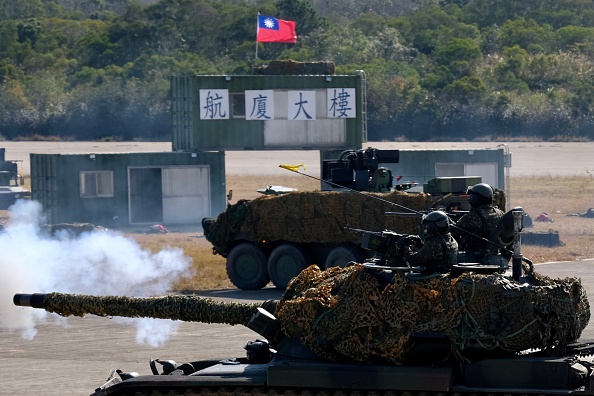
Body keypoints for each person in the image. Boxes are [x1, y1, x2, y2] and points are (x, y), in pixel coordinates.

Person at [452, 183, 505, 259]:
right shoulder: (500, 214)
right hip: (496, 255)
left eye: (472, 197)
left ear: (476, 199)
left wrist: (449, 221)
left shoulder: (471, 217)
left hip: (475, 257)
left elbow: (454, 231)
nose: (470, 199)